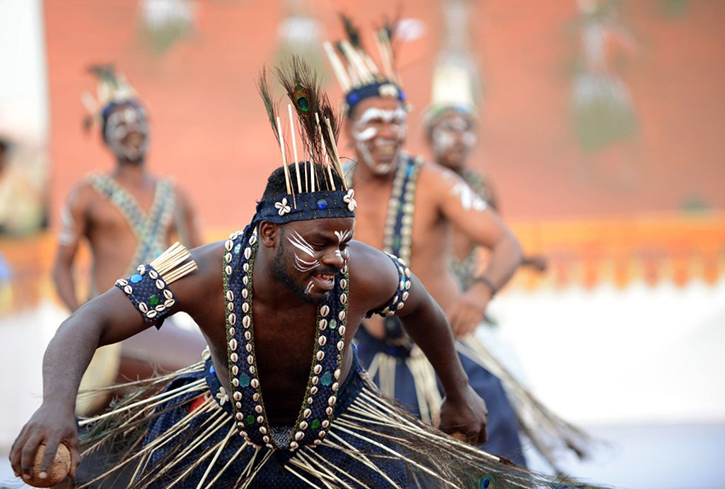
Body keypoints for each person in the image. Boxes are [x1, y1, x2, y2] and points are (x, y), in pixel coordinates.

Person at [8, 61, 562, 488]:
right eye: (318, 243)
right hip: (223, 438)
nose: (335, 257)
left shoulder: (362, 269)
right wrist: (57, 403)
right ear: (269, 234)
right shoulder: (202, 271)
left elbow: (422, 308)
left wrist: (459, 390)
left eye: (344, 241)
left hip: (342, 432)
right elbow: (91, 319)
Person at [324, 17, 529, 466]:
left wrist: (479, 292)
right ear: (349, 129)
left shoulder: (433, 182)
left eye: (397, 122)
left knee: (490, 456)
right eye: (374, 122)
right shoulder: (329, 188)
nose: (388, 133)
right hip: (365, 360)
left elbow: (507, 244)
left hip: (447, 359)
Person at [423, 59, 591, 472]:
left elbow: (498, 237)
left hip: (466, 313)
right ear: (429, 138)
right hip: (424, 312)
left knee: (504, 386)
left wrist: (518, 262)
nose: (458, 138)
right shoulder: (417, 183)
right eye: (447, 129)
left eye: (466, 129)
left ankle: (523, 467)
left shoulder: (477, 186)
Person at [53, 65, 205, 413]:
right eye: (120, 125)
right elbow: (60, 267)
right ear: (105, 137)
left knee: (204, 371)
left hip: (165, 321)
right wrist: (83, 323)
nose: (132, 131)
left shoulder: (175, 194)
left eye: (138, 122)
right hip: (109, 328)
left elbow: (201, 266)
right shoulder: (88, 193)